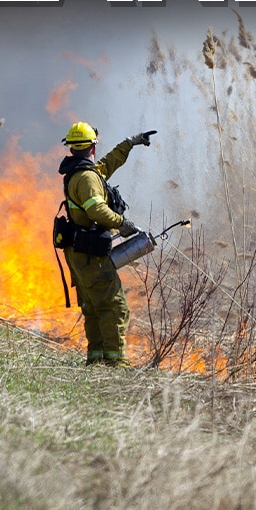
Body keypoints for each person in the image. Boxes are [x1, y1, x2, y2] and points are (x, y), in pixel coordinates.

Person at [57, 121, 157, 367]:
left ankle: (96, 360)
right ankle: (115, 363)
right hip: (90, 254)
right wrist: (122, 223)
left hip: (79, 251)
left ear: (71, 148)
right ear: (92, 147)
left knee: (93, 306)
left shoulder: (81, 172)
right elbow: (96, 209)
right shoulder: (86, 178)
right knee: (114, 306)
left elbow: (106, 165)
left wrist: (129, 144)